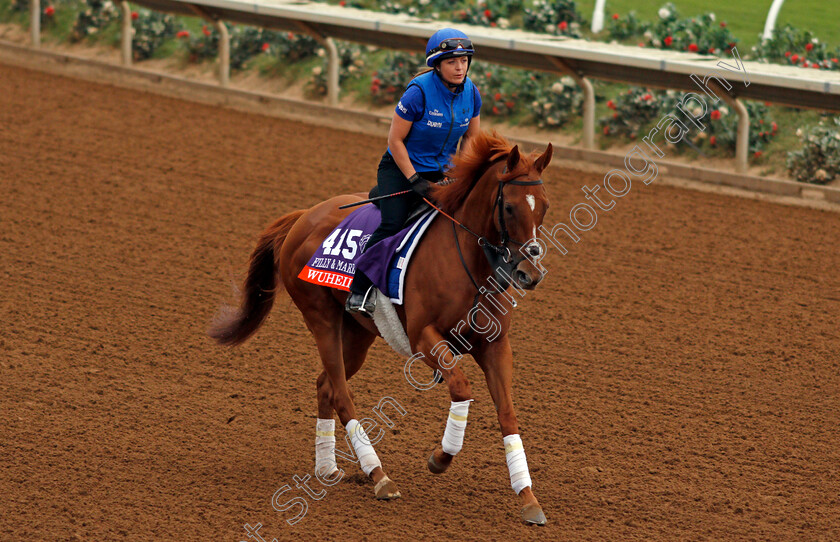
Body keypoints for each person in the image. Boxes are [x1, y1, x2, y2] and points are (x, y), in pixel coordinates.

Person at [345, 28, 483, 317]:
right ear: (437, 64)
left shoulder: (472, 92)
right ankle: (359, 289)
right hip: (400, 167)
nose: (460, 68)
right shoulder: (417, 92)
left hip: (441, 171)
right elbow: (394, 141)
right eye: (451, 62)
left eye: (464, 61)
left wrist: (460, 171)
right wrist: (414, 180)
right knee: (394, 221)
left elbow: (471, 138)